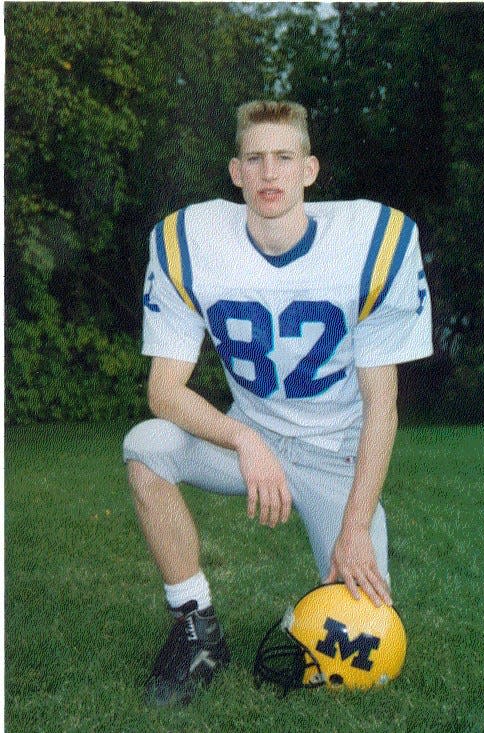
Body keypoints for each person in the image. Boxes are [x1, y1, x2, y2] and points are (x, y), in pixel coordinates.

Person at [123, 100, 433, 706]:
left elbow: (383, 409)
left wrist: (354, 531)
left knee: (365, 639)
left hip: (335, 456)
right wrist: (245, 439)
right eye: (255, 159)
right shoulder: (193, 241)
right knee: (146, 446)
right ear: (235, 171)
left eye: (283, 159)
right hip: (251, 438)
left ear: (309, 170)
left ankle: (341, 553)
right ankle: (196, 625)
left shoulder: (368, 243)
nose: (269, 175)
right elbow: (163, 390)